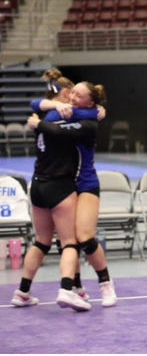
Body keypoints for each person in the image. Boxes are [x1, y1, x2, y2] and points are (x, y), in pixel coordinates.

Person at [11, 71, 104, 310]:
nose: (73, 98)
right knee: (69, 242)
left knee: (41, 241)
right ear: (64, 93)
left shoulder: (44, 113)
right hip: (59, 185)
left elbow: (36, 105)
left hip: (37, 183)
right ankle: (66, 290)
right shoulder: (67, 116)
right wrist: (99, 110)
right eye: (71, 93)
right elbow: (86, 116)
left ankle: (22, 292)